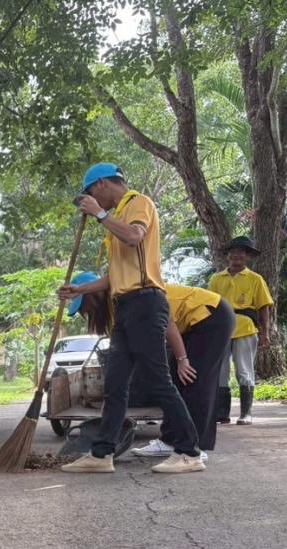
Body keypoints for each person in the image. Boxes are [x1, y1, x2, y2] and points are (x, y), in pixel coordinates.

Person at [56, 163, 203, 474]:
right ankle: (102, 454)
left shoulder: (138, 203)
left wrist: (100, 214)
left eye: (90, 194)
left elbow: (135, 236)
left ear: (101, 186)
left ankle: (190, 452)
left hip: (146, 301)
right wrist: (79, 288)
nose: (90, 200)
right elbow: (114, 277)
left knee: (158, 381)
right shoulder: (114, 219)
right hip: (125, 305)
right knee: (116, 384)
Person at [73, 276, 234, 460]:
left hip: (211, 315)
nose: (82, 313)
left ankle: (196, 448)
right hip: (188, 325)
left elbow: (168, 324)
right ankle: (170, 441)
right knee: (174, 379)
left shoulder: (126, 296)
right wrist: (115, 392)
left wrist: (182, 359)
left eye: (81, 306)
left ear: (93, 295)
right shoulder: (113, 312)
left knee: (194, 380)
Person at [208, 236, 274, 425]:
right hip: (221, 329)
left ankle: (246, 413)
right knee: (221, 371)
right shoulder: (216, 279)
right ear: (227, 255)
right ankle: (222, 413)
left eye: (241, 252)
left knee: (244, 370)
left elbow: (263, 307)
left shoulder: (255, 279)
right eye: (233, 251)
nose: (236, 255)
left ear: (247, 256)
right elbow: (209, 305)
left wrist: (265, 331)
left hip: (245, 327)